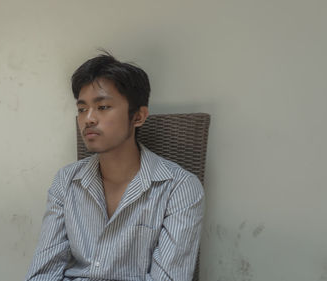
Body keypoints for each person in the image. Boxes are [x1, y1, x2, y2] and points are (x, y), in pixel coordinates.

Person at [25, 52, 205, 281]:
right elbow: (42, 274)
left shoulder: (179, 188)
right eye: (82, 109)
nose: (88, 118)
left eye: (103, 107)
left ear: (138, 116)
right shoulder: (66, 180)